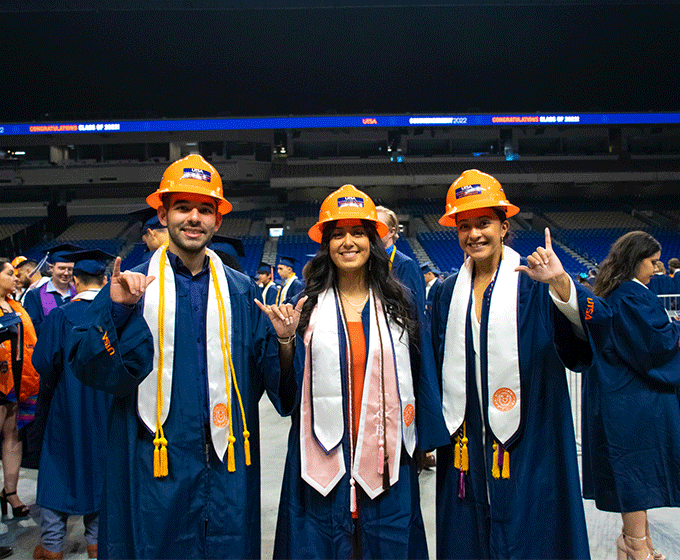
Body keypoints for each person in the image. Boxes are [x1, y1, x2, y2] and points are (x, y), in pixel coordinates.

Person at [67, 154, 296, 559]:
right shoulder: (131, 287)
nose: (194, 218)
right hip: (154, 459)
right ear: (163, 213)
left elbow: (273, 380)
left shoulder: (241, 292)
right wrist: (118, 312)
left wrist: (284, 343)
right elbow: (88, 366)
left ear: (218, 221)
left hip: (226, 461)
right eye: (183, 208)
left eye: (205, 209)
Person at [260, 184, 449, 559]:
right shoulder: (307, 307)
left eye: (358, 233)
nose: (348, 242)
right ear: (326, 244)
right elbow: (287, 393)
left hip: (386, 453)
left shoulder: (399, 303)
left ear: (373, 241)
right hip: (322, 456)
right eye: (338, 234)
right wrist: (285, 342)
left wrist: (423, 440)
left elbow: (421, 370)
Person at [431, 169, 612, 559]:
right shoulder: (447, 293)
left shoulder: (533, 282)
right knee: (468, 529)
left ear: (504, 226)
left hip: (531, 430)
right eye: (465, 226)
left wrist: (562, 286)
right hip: (466, 434)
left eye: (484, 223)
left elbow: (589, 334)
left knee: (533, 528)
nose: (474, 234)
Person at [582, 231, 680, 560]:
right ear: (635, 261)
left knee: (631, 474)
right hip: (631, 402)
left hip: (616, 397)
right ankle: (638, 546)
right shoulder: (630, 296)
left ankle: (636, 542)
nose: (657, 269)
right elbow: (656, 346)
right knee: (636, 474)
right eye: (652, 263)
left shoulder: (613, 293)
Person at [31, 250, 115, 560]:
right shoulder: (115, 315)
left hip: (67, 403)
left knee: (58, 468)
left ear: (75, 281)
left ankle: (53, 546)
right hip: (107, 406)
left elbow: (43, 362)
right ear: (105, 280)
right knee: (101, 468)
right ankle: (96, 542)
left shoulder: (61, 316)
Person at [0, 259, 39, 521]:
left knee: (13, 435)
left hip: (17, 380)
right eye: (9, 274)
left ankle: (10, 492)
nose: (16, 278)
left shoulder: (15, 305)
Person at [375, 205, 427, 320]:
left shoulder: (406, 265)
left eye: (378, 227)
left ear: (391, 232)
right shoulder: (369, 262)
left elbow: (416, 314)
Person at [22, 244, 82, 337]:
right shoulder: (35, 295)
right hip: (47, 348)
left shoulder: (79, 294)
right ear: (51, 268)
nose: (66, 273)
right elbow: (32, 329)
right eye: (61, 268)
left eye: (70, 269)